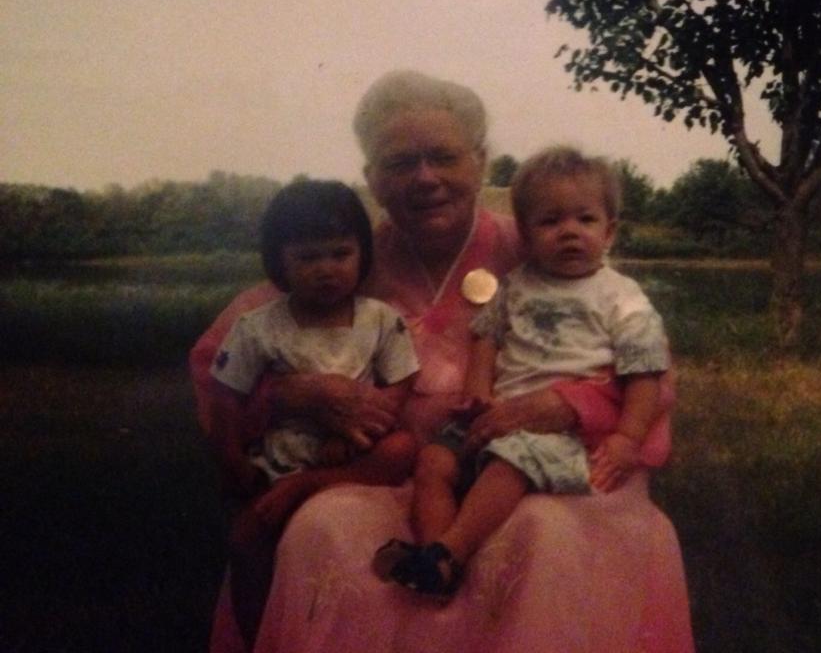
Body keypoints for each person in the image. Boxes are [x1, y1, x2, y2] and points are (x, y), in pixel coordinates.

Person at [190, 69, 694, 653]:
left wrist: (564, 404)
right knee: (321, 529)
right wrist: (288, 395)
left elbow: (650, 370)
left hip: (529, 475)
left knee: (544, 533)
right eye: (400, 163)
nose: (424, 178)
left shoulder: (535, 243)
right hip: (383, 480)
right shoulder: (344, 259)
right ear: (372, 179)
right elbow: (223, 361)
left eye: (444, 158)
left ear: (480, 163)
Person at [374, 147, 670, 597]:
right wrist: (476, 394)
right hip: (497, 417)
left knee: (510, 464)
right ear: (526, 237)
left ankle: (450, 553)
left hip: (561, 437)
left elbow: (645, 372)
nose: (569, 232)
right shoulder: (516, 284)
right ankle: (434, 556)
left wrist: (628, 437)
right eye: (550, 222)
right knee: (433, 461)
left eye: (585, 220)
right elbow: (486, 338)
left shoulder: (621, 298)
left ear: (609, 231)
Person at [207, 180, 419, 647]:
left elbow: (402, 379)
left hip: (351, 453)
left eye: (340, 254)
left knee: (404, 447)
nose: (326, 270)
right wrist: (231, 458)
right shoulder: (259, 327)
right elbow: (224, 395)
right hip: (280, 454)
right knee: (247, 542)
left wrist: (371, 426)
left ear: (362, 253)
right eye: (308, 257)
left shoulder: (380, 320)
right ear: (278, 261)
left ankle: (308, 488)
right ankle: (259, 638)